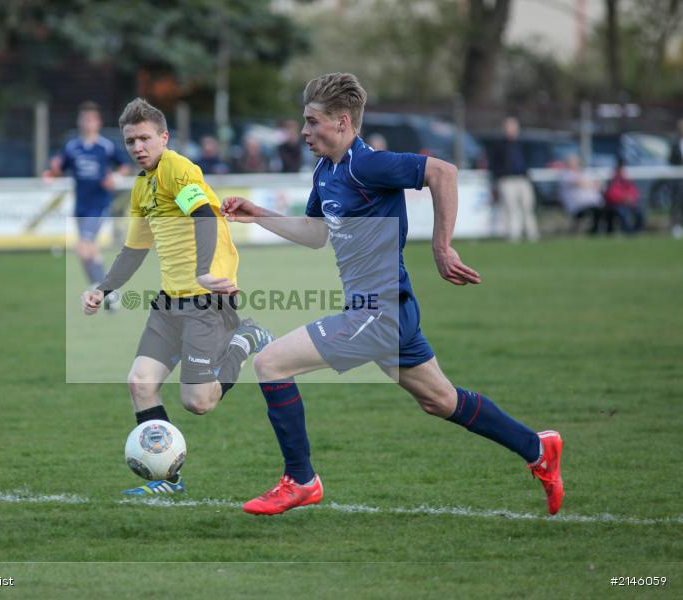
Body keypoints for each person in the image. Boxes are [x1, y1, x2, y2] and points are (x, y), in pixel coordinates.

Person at [222, 73, 563, 516]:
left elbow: (442, 172)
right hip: (386, 311)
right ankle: (537, 447)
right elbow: (316, 234)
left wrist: (442, 247)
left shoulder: (367, 165)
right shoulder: (327, 171)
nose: (304, 131)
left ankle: (301, 480)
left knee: (270, 363)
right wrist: (258, 215)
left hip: (378, 312)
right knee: (440, 401)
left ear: (343, 122)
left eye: (312, 121)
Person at [80, 98, 274, 496]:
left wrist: (203, 271)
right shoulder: (141, 187)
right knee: (140, 382)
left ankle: (245, 338)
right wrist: (102, 289)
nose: (137, 147)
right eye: (130, 141)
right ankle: (167, 481)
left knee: (198, 402)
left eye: (145, 138)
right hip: (169, 303)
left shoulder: (176, 169)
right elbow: (134, 250)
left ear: (164, 137)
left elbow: (204, 215)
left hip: (205, 300)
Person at [45, 102, 129, 303]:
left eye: (91, 120)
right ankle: (108, 292)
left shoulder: (105, 146)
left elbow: (125, 166)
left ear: (98, 123)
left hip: (98, 204)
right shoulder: (72, 147)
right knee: (89, 251)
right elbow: (59, 168)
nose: (87, 123)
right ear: (79, 122)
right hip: (80, 205)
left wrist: (115, 177)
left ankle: (100, 288)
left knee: (83, 247)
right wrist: (53, 169)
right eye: (84, 119)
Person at [489, 117, 540, 242]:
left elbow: (528, 161)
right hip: (507, 180)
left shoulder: (523, 144)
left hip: (522, 179)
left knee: (527, 207)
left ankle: (532, 234)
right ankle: (513, 235)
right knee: (511, 208)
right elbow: (493, 165)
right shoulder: (499, 146)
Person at [558, 154, 601, 234]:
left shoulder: (584, 172)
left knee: (605, 209)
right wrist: (590, 184)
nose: (575, 164)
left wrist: (587, 184)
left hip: (592, 202)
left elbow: (597, 184)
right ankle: (593, 231)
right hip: (578, 204)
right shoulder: (565, 175)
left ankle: (598, 230)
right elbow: (578, 183)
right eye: (572, 162)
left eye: (576, 161)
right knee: (595, 210)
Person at [603, 157, 642, 234]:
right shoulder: (613, 180)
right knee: (622, 212)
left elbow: (634, 191)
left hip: (627, 203)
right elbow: (611, 194)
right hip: (615, 204)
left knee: (638, 212)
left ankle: (636, 230)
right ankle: (627, 231)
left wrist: (631, 198)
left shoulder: (626, 180)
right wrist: (623, 198)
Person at [669, 119, 683, 239]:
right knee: (677, 202)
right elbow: (671, 160)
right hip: (678, 178)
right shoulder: (675, 143)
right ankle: (676, 226)